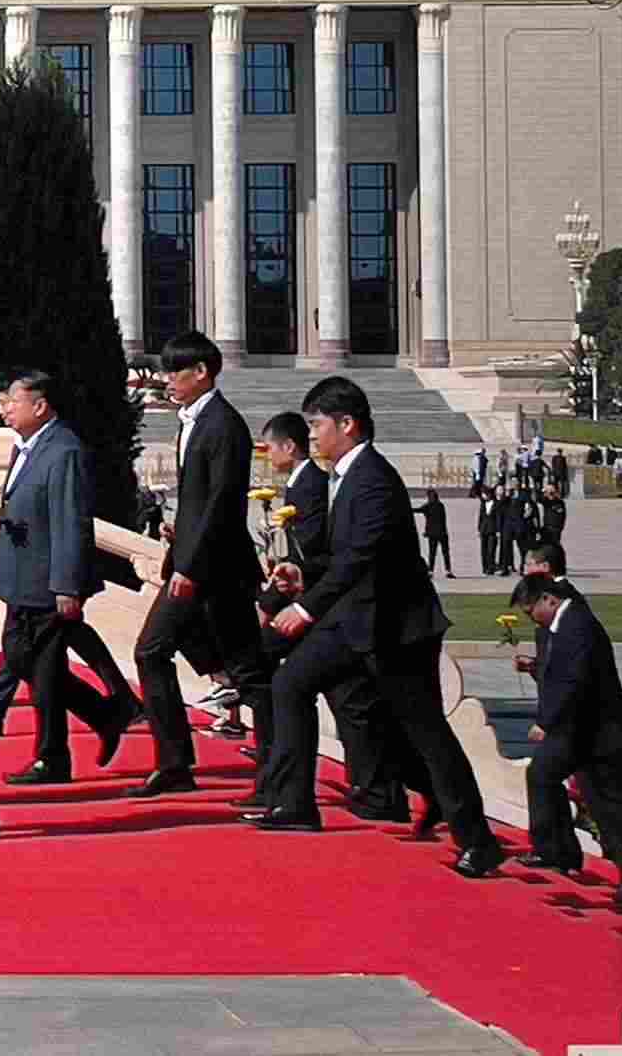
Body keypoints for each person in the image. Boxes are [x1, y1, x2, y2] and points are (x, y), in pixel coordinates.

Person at [250, 377, 505, 879]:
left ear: (347, 424)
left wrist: (305, 609)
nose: (312, 434)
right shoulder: (344, 475)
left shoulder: (372, 478)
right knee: (291, 682)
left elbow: (361, 559)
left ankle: (478, 840)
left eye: (317, 424)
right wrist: (302, 575)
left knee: (425, 732)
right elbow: (341, 557)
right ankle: (294, 803)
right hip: (356, 620)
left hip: (396, 627)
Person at [0, 369, 133, 786]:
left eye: (13, 402)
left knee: (43, 671)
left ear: (40, 406)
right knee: (21, 658)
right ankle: (105, 713)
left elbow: (69, 521)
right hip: (21, 578)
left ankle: (53, 756)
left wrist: (66, 584)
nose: (4, 410)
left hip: (47, 581)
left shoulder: (64, 451)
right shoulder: (28, 448)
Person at [135, 331, 265, 797]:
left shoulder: (223, 425)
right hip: (197, 560)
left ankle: (274, 766)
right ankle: (178, 762)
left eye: (175, 371)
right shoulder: (194, 421)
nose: (168, 379)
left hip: (216, 568)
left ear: (202, 372)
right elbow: (198, 502)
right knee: (244, 667)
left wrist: (188, 566)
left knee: (156, 651)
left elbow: (222, 503)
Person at [510, 574, 622, 907]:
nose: (531, 618)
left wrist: (546, 722)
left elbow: (574, 681)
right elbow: (559, 673)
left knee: (611, 805)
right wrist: (535, 668)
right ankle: (556, 851)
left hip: (602, 733)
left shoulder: (577, 625)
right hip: (580, 732)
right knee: (543, 775)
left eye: (530, 611)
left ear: (549, 599)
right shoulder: (561, 624)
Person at [418, 489, 452, 578]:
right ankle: (446, 571)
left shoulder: (429, 506)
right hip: (441, 533)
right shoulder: (439, 505)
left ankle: (432, 571)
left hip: (434, 534)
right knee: (443, 553)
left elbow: (418, 510)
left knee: (434, 553)